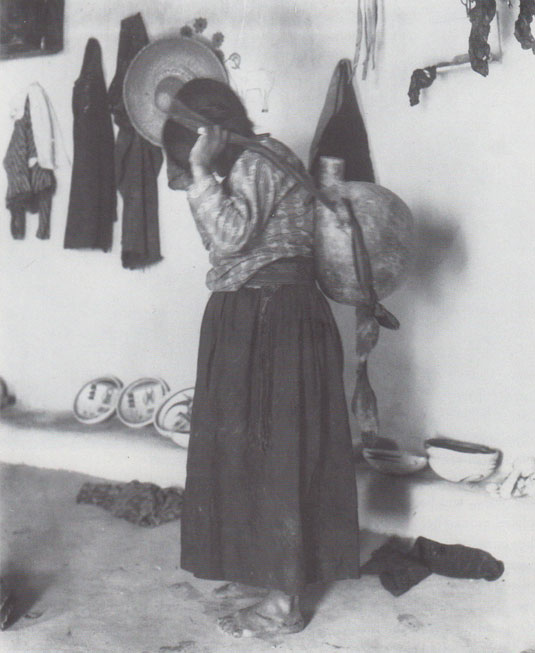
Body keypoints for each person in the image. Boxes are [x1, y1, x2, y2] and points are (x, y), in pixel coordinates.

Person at [162, 78, 360, 639]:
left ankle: (283, 603)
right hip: (259, 315)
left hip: (275, 318)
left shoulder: (257, 161)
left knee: (278, 457)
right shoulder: (255, 163)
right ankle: (260, 576)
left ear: (209, 132)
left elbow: (227, 238)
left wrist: (203, 174)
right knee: (248, 452)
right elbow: (229, 243)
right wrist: (206, 177)